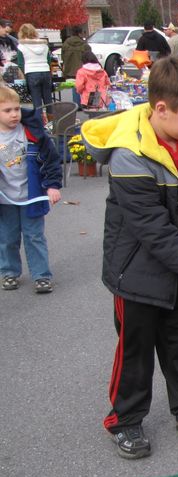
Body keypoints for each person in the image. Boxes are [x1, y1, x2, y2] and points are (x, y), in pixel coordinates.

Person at [80, 55, 178, 459]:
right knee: (136, 349)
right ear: (161, 109)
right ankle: (125, 419)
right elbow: (151, 228)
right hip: (138, 272)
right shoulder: (129, 154)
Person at [0, 86, 62, 294]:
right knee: (7, 237)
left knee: (34, 236)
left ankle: (42, 275)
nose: (14, 114)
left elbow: (51, 159)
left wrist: (52, 185)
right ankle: (9, 272)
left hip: (32, 196)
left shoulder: (32, 132)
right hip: (5, 199)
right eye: (7, 110)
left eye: (16, 109)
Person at [15, 23, 53, 118]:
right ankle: (52, 122)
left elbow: (20, 63)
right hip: (45, 71)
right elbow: (48, 60)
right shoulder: (44, 45)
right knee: (48, 99)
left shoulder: (21, 46)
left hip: (31, 73)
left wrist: (23, 75)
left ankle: (40, 122)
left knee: (37, 101)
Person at [61, 25, 92, 105]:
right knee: (84, 87)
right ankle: (84, 103)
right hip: (82, 69)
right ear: (80, 33)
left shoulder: (65, 44)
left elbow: (63, 57)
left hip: (70, 70)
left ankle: (76, 104)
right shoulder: (85, 45)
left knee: (75, 87)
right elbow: (89, 57)